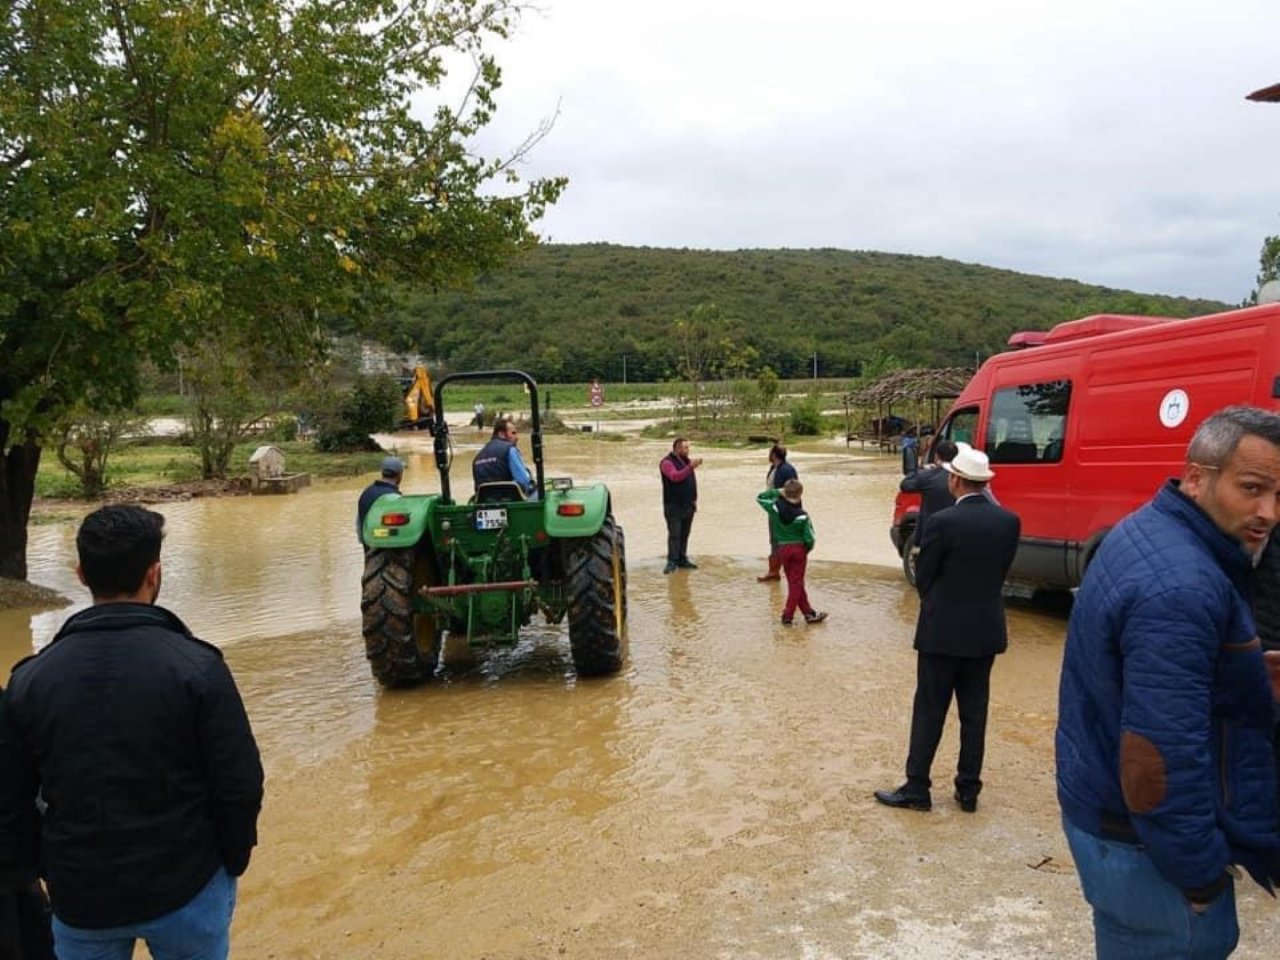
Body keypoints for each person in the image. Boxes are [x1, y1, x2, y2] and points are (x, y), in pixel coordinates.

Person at [1057, 406, 1280, 958]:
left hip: (1101, 812)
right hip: (1145, 850)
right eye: (1252, 488)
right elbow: (1157, 761)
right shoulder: (1182, 587)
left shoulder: (1147, 528)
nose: (1270, 513)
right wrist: (1200, 876)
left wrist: (1243, 676)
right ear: (1198, 477)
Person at [1, 505, 264, 960]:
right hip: (188, 887)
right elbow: (240, 784)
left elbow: (10, 800)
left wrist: (46, 870)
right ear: (155, 573)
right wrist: (230, 862)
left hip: (81, 897)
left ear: (81, 574)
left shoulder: (29, 680)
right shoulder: (198, 668)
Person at [875, 444, 1020, 814]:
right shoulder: (1008, 521)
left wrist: (940, 603)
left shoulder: (941, 523)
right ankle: (968, 790)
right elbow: (1001, 572)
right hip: (985, 632)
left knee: (929, 710)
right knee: (975, 714)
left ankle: (917, 788)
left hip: (941, 632)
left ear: (955, 480)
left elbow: (923, 578)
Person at [756, 478, 827, 625]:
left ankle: (809, 613)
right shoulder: (803, 516)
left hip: (783, 548)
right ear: (800, 494)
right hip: (799, 549)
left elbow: (760, 497)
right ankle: (787, 616)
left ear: (785, 492)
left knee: (794, 582)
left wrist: (776, 491)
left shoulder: (774, 508)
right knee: (796, 583)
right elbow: (810, 538)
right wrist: (806, 550)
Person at [898, 438, 959, 553]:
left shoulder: (928, 476)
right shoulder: (965, 477)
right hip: (958, 535)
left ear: (936, 456)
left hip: (931, 536)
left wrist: (921, 469)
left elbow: (905, 485)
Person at [660, 437, 702, 575]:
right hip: (673, 505)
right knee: (675, 534)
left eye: (688, 447)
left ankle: (682, 559)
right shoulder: (666, 463)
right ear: (677, 449)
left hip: (688, 505)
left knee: (684, 534)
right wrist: (690, 467)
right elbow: (675, 477)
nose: (687, 450)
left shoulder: (686, 461)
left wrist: (694, 500)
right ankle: (672, 561)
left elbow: (691, 481)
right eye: (685, 448)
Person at [758, 444, 799, 582]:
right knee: (775, 540)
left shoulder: (787, 470)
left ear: (774, 455)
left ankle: (775, 571)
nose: (768, 455)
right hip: (775, 508)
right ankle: (775, 571)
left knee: (779, 540)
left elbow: (793, 491)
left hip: (783, 510)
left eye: (770, 452)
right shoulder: (774, 468)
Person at [473, 417, 536, 499]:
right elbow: (523, 480)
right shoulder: (510, 449)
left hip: (485, 501)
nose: (517, 437)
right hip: (510, 500)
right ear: (501, 434)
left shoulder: (477, 457)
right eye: (513, 433)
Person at [357, 455, 404, 542]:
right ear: (399, 475)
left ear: (382, 472)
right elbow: (398, 532)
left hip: (369, 547)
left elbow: (359, 528)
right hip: (388, 547)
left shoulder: (366, 493)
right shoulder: (396, 498)